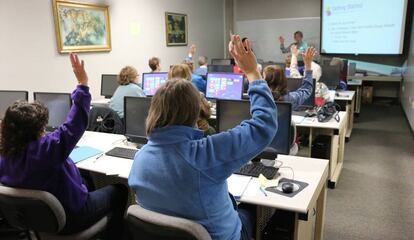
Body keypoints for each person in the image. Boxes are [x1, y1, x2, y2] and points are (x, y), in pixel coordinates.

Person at [129, 35, 278, 240]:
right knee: (253, 212)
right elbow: (264, 126)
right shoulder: (205, 154)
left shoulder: (140, 158)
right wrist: (253, 72)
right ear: (194, 112)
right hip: (221, 236)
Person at [0, 54, 128, 239]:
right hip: (72, 218)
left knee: (86, 178)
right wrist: (82, 83)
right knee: (119, 190)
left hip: (37, 221)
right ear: (38, 129)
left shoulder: (5, 155)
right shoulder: (48, 149)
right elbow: (76, 122)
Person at [168, 64, 214, 136]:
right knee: (211, 130)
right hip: (195, 133)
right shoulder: (197, 95)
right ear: (189, 76)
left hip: (172, 134)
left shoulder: (164, 97)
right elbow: (207, 114)